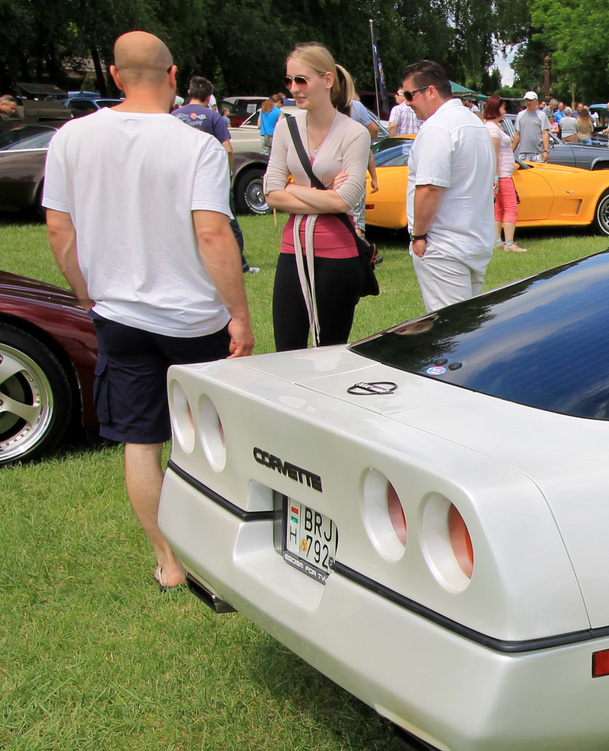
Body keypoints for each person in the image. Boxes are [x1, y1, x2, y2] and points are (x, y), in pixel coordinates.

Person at [42, 31, 252, 592]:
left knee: (143, 439)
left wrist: (84, 290)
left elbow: (60, 228)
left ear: (113, 75)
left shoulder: (71, 138)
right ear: (174, 74)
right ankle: (219, 548)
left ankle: (169, 561)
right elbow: (212, 233)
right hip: (195, 318)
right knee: (212, 438)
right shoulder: (196, 145)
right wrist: (240, 314)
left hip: (118, 313)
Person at [262, 44, 370, 350]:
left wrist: (292, 188)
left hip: (338, 253)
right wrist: (301, 192)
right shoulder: (286, 127)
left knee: (331, 349)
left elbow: (345, 201)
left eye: (301, 80)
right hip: (292, 249)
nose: (294, 89)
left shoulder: (354, 133)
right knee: (287, 349)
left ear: (327, 80)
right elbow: (271, 193)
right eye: (289, 81)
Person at [400, 59, 495, 311]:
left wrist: (418, 236)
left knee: (450, 335)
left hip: (444, 246)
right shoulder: (474, 123)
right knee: (466, 328)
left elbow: (430, 187)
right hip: (473, 242)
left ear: (431, 91)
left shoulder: (438, 128)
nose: (407, 103)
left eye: (410, 95)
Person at [173, 75, 258, 275]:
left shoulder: (174, 116)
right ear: (209, 96)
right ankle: (240, 265)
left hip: (181, 178)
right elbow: (227, 149)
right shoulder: (214, 118)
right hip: (209, 178)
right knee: (228, 221)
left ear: (188, 92)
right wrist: (227, 173)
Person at [482, 96, 524, 252]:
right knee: (511, 208)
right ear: (496, 108)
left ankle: (497, 240)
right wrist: (496, 176)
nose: (505, 111)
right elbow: (493, 153)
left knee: (498, 208)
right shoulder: (492, 128)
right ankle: (509, 243)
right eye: (503, 108)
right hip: (502, 175)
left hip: (502, 175)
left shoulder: (495, 126)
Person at [513, 91, 546, 161]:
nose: (528, 102)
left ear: (536, 101)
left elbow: (545, 133)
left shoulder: (542, 115)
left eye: (530, 100)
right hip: (523, 153)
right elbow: (517, 134)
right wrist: (511, 151)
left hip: (538, 153)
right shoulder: (520, 115)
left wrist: (546, 151)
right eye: (527, 100)